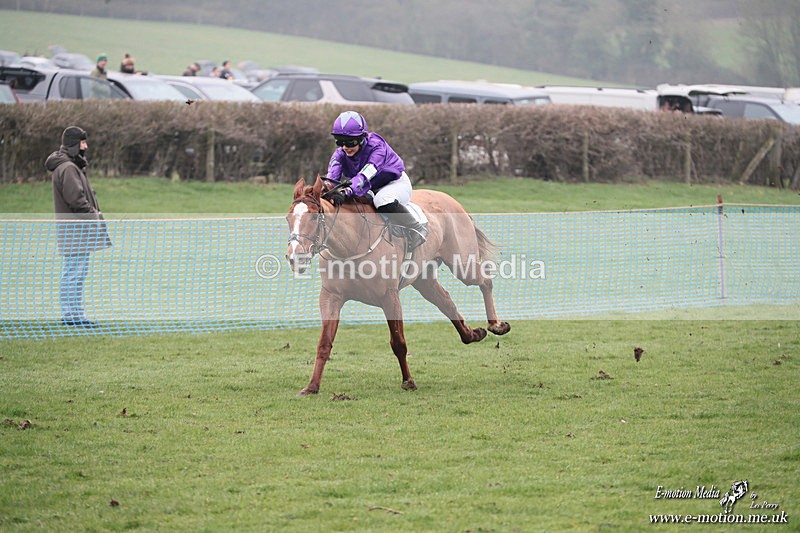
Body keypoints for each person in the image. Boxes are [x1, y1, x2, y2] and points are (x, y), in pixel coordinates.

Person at [325, 111, 427, 251]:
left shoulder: (377, 147)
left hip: (394, 183)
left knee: (382, 201)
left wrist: (347, 190)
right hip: (369, 187)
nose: (345, 147)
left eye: (350, 142)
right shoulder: (340, 154)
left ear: (362, 138)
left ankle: (417, 228)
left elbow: (365, 176)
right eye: (340, 142)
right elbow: (331, 179)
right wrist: (324, 191)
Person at [46, 126, 112, 328]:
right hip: (75, 231)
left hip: (78, 231)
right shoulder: (68, 169)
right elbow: (76, 201)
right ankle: (70, 316)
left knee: (78, 273)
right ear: (74, 144)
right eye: (83, 143)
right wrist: (95, 218)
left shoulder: (73, 166)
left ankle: (76, 315)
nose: (86, 146)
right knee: (73, 273)